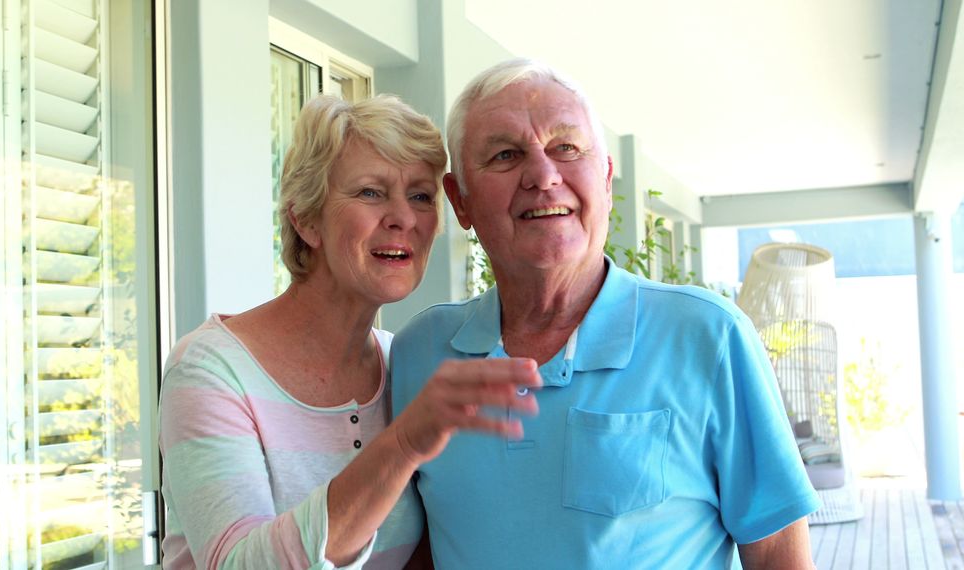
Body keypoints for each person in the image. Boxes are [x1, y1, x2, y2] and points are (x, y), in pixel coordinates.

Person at [390, 58, 821, 569]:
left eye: (566, 148)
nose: (543, 176)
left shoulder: (709, 338)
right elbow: (417, 547)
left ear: (607, 178)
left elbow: (777, 556)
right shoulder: (420, 352)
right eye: (506, 155)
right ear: (460, 201)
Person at [158, 94, 541, 569]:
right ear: (306, 218)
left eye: (420, 196)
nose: (403, 217)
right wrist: (401, 446)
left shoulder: (403, 363)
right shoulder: (210, 370)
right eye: (370, 192)